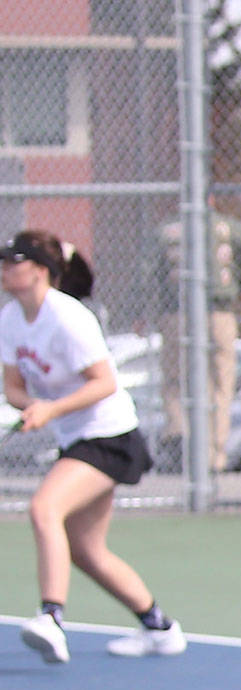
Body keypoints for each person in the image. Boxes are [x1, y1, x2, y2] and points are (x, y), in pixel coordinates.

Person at [4, 230, 186, 663]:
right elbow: (12, 386)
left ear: (42, 272)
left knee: (44, 508)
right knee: (86, 551)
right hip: (77, 437)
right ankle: (160, 628)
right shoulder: (10, 319)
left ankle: (51, 617)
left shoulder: (68, 317)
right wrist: (32, 407)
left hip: (110, 435)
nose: (6, 269)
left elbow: (105, 383)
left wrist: (52, 409)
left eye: (16, 261)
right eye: (4, 261)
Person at [156, 199, 241, 472]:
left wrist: (145, 302)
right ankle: (212, 455)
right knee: (219, 384)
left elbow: (146, 267)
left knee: (176, 381)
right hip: (217, 312)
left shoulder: (169, 229)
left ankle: (179, 436)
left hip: (178, 312)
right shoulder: (228, 228)